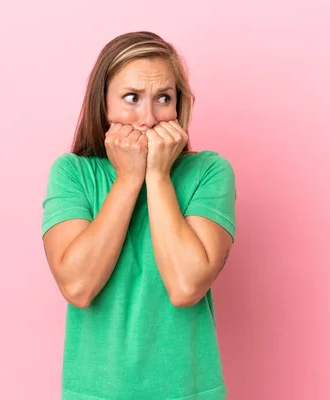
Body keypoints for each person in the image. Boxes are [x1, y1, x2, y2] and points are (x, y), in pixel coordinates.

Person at [41, 31, 236, 400]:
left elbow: (185, 286)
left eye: (163, 98)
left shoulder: (210, 172)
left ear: (180, 106)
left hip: (189, 392)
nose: (147, 118)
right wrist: (129, 179)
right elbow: (78, 287)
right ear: (104, 104)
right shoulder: (72, 173)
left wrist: (157, 176)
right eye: (131, 98)